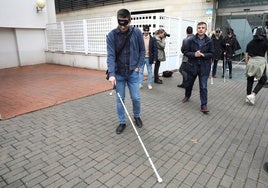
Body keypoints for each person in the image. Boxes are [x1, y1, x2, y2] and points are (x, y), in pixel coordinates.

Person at [106, 9, 145, 134]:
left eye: (125, 23)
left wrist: (139, 66)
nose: (122, 26)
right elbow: (111, 56)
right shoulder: (112, 35)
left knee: (136, 98)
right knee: (120, 99)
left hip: (133, 72)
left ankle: (137, 116)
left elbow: (142, 51)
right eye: (120, 23)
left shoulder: (137, 32)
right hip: (119, 74)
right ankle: (122, 122)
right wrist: (111, 75)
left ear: (130, 20)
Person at [181, 21, 215, 113]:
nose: (201, 29)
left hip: (204, 67)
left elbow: (212, 53)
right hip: (192, 66)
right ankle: (187, 96)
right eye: (199, 27)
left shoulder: (209, 41)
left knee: (203, 86)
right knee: (188, 84)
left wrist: (204, 55)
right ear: (197, 29)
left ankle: (203, 105)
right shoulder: (191, 40)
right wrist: (194, 54)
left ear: (205, 30)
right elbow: (185, 52)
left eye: (203, 28)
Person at [245, 26, 268, 105]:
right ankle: (253, 94)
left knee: (250, 78)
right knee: (263, 79)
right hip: (260, 62)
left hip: (251, 61)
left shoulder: (250, 42)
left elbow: (246, 54)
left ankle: (248, 95)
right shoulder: (266, 42)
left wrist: (247, 63)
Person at [139, 25, 158, 90]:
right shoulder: (140, 38)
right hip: (141, 58)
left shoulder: (152, 39)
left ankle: (149, 84)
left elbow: (155, 49)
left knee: (149, 71)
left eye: (147, 30)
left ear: (149, 31)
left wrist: (155, 59)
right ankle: (140, 84)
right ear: (143, 31)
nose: (146, 32)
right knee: (140, 71)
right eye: (145, 30)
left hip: (149, 58)